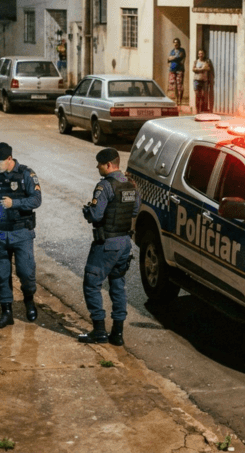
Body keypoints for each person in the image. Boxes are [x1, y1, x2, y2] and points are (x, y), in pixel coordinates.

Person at [0, 143, 42, 328]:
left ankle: (29, 301)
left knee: (26, 272)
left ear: (9, 159)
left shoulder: (26, 174)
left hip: (21, 232)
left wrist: (15, 203)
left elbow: (37, 200)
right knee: (2, 275)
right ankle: (6, 312)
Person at [77, 148, 140, 346]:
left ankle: (99, 331)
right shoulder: (131, 185)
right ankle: (117, 334)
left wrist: (87, 211)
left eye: (99, 164)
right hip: (124, 244)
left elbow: (96, 215)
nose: (97, 167)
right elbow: (135, 210)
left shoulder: (105, 186)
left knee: (91, 282)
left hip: (107, 243)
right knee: (118, 285)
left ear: (108, 165)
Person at [192, 48, 214, 113]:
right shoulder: (196, 61)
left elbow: (207, 68)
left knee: (203, 95)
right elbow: (193, 69)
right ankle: (197, 110)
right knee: (197, 95)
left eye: (201, 53)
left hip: (204, 81)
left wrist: (198, 69)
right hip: (196, 81)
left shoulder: (206, 62)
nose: (200, 55)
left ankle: (202, 109)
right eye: (199, 54)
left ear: (204, 54)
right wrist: (201, 69)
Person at [167, 38, 186, 105]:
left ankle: (180, 100)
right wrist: (172, 58)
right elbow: (168, 59)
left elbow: (179, 57)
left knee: (179, 86)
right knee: (173, 86)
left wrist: (172, 58)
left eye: (177, 42)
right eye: (174, 42)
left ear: (179, 43)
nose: (175, 43)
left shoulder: (182, 50)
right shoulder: (172, 51)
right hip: (172, 70)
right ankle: (176, 99)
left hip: (179, 70)